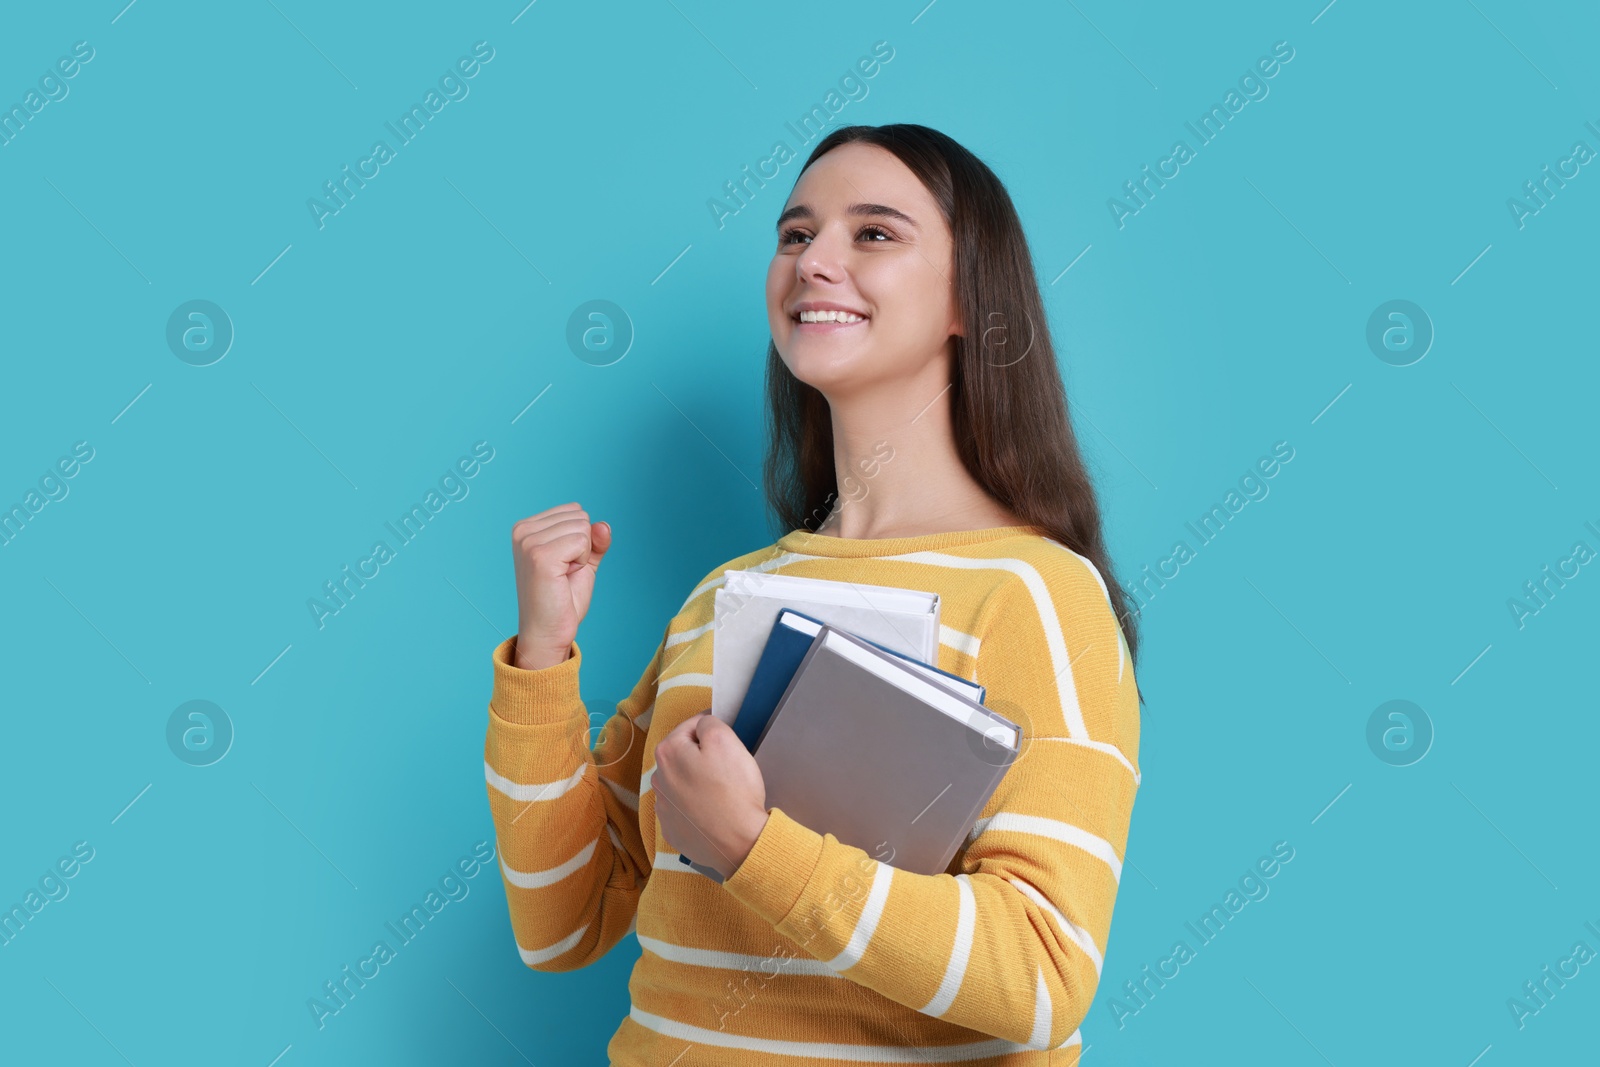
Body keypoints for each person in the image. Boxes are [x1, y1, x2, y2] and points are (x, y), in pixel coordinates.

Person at [484, 123, 1143, 1065]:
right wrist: (543, 660)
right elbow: (563, 922)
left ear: (969, 301)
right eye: (795, 235)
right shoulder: (726, 595)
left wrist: (754, 845)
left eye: (874, 234)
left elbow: (1040, 979)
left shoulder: (1038, 595)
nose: (813, 262)